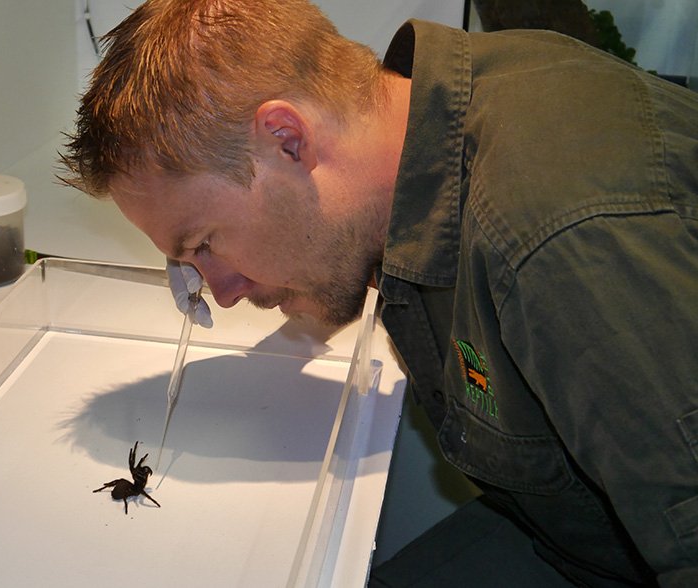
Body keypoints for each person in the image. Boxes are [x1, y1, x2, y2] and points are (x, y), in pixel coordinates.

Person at [59, 0, 698, 585]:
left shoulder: (557, 248)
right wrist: (210, 244)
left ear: (287, 139)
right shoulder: (412, 123)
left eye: (204, 243)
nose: (219, 294)